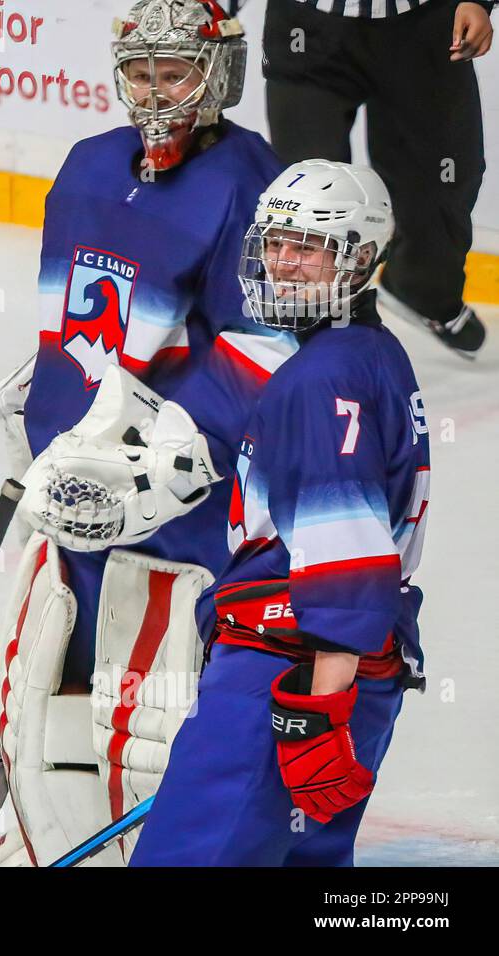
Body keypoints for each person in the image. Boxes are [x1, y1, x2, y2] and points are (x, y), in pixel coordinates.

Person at [0, 0, 299, 865]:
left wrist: (176, 454)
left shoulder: (250, 182)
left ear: (218, 77)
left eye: (175, 73)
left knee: (154, 695)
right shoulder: (88, 167)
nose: (156, 94)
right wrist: (42, 395)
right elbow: (84, 316)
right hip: (72, 474)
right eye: (140, 73)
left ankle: (156, 845)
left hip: (176, 509)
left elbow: (264, 343)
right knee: (47, 660)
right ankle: (29, 820)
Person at [131, 159, 430, 865]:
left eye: (308, 247)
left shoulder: (316, 378)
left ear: (358, 259)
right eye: (274, 242)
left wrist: (317, 711)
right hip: (355, 670)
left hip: (286, 676)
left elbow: (345, 551)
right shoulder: (373, 354)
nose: (283, 263)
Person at [261, 0, 492, 356]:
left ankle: (420, 290)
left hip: (426, 22)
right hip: (307, 24)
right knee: (310, 196)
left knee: (445, 178)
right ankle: (309, 324)